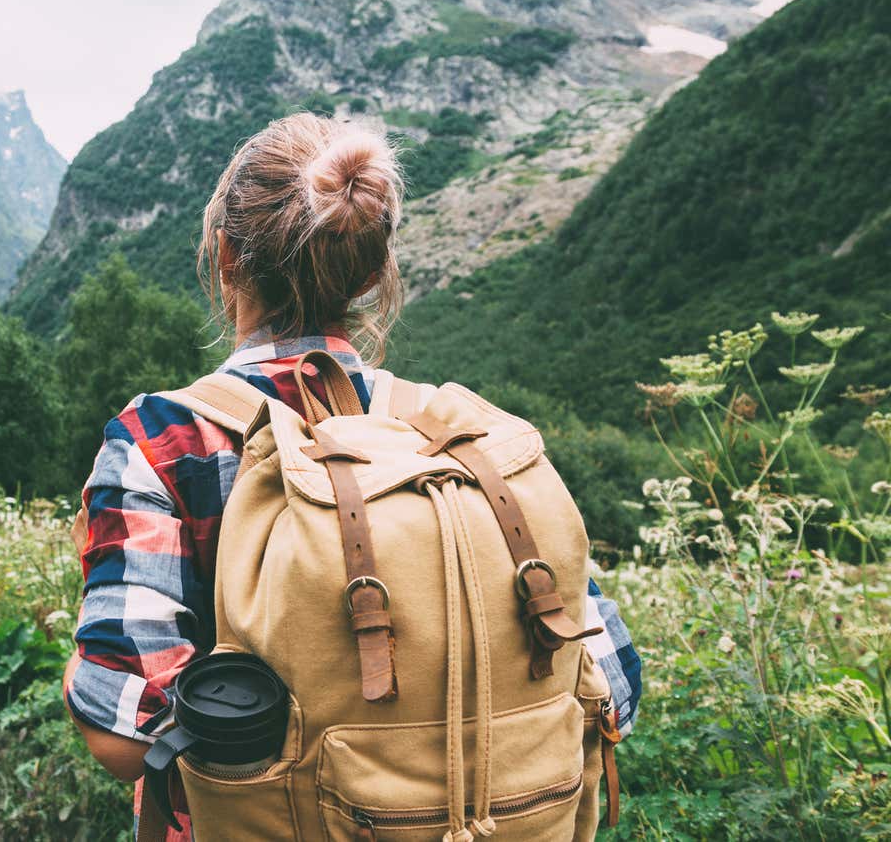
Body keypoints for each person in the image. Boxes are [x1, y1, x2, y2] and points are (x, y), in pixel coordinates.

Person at [62, 113, 642, 840]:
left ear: (226, 258)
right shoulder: (459, 438)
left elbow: (123, 741)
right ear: (372, 274)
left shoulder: (164, 441)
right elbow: (611, 688)